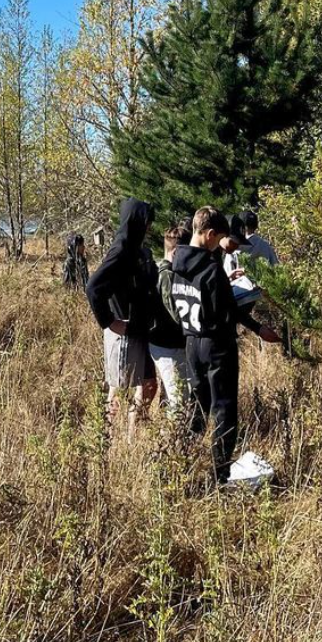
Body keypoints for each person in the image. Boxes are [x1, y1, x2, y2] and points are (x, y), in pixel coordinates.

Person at [170, 207, 281, 484]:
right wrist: (258, 328)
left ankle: (181, 459)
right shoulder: (210, 269)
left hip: (192, 344)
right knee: (224, 411)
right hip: (217, 346)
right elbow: (229, 310)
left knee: (196, 406)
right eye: (219, 237)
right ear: (209, 235)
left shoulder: (176, 263)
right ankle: (221, 474)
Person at [85, 198, 159, 436]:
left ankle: (131, 437)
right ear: (136, 221)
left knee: (148, 384)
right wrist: (110, 322)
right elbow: (93, 288)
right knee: (119, 390)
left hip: (139, 329)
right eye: (147, 222)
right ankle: (104, 438)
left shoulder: (139, 250)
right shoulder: (121, 250)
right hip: (124, 332)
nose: (150, 227)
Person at [147, 224, 190, 411]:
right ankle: (175, 438)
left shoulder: (167, 271)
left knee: (172, 394)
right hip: (167, 345)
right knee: (178, 399)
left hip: (169, 343)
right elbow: (175, 314)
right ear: (176, 253)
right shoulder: (167, 275)